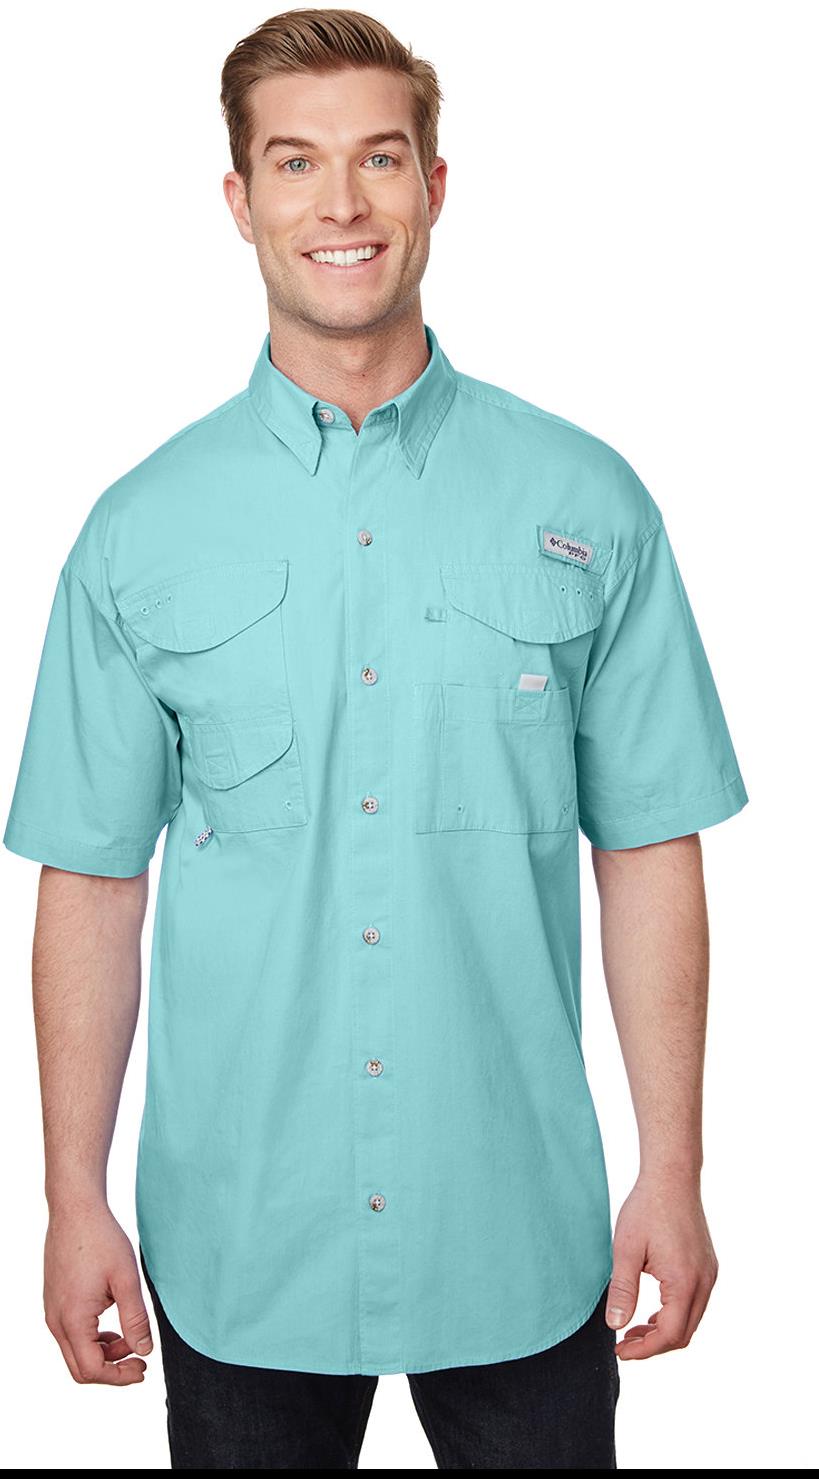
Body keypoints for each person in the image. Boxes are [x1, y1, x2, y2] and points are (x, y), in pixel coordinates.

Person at [3, 7, 749, 1470]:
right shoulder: (138, 533)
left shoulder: (590, 505)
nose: (340, 203)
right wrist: (69, 1195)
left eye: (380, 158)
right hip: (240, 1238)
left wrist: (675, 1165)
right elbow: (90, 881)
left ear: (435, 185)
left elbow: (650, 850)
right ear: (240, 201)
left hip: (521, 1230)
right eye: (296, 162)